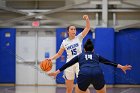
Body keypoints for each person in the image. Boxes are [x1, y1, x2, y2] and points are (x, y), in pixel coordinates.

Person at [48, 39, 132, 93]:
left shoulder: (80, 55)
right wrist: (121, 66)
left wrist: (56, 72)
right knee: (102, 90)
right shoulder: (96, 55)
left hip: (84, 73)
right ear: (93, 50)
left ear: (84, 49)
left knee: (78, 90)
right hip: (97, 73)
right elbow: (108, 62)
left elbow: (68, 64)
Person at [47, 15, 90, 93]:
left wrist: (87, 19)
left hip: (79, 63)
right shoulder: (64, 42)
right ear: (68, 31)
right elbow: (59, 54)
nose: (74, 30)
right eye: (72, 29)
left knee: (83, 86)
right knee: (69, 89)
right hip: (69, 64)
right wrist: (51, 58)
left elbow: (87, 28)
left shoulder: (79, 37)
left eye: (74, 29)